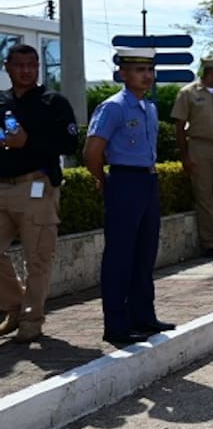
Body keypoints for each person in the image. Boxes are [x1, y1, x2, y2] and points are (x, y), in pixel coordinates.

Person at [83, 48, 173, 347]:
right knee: (120, 255)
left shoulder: (149, 108)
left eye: (149, 69)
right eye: (138, 69)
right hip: (124, 180)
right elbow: (92, 151)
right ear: (123, 74)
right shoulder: (113, 107)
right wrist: (103, 180)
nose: (146, 75)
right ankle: (116, 324)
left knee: (144, 253)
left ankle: (143, 316)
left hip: (148, 180)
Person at [0, 44, 78, 343]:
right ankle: (14, 306)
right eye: (19, 65)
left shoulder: (53, 102)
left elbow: (70, 144)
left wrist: (28, 141)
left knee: (38, 258)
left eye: (32, 65)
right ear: (7, 66)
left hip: (37, 187)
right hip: (2, 186)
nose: (26, 70)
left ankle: (32, 319)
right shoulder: (1, 101)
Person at [170, 56, 213, 259]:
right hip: (200, 147)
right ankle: (210, 243)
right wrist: (185, 156)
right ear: (211, 72)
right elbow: (179, 127)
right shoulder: (188, 93)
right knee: (204, 197)